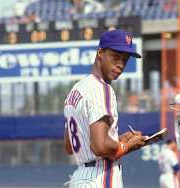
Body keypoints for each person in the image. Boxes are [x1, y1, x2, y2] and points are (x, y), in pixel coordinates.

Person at [63, 29, 147, 188]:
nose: (121, 65)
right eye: (115, 57)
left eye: (125, 59)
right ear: (100, 52)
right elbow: (100, 146)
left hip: (80, 178)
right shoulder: (101, 89)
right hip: (101, 176)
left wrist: (117, 139)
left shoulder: (76, 90)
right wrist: (128, 145)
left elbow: (70, 146)